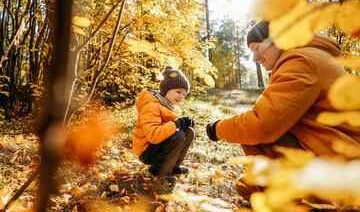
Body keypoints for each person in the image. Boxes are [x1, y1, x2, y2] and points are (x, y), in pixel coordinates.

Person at [206, 21, 360, 200]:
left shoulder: (301, 61)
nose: (255, 58)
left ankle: (302, 201)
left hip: (341, 165)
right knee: (247, 187)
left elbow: (261, 124)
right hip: (339, 156)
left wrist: (217, 128)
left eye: (257, 48)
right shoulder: (310, 56)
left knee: (252, 136)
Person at [132, 65, 195, 184]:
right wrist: (176, 123)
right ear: (166, 90)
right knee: (178, 135)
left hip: (158, 147)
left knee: (188, 132)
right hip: (147, 151)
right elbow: (154, 136)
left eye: (184, 94)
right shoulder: (151, 106)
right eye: (178, 92)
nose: (181, 97)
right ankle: (156, 171)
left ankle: (173, 166)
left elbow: (171, 130)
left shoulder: (172, 109)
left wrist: (184, 124)